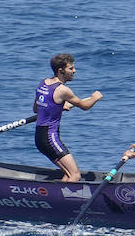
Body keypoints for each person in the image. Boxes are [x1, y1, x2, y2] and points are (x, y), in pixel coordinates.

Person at [33, 53, 103, 182]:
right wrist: (95, 98)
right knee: (76, 175)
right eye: (70, 68)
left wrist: (58, 105)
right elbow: (85, 106)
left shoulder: (43, 84)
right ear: (61, 71)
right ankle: (65, 201)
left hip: (39, 137)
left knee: (68, 174)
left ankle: (56, 198)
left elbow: (36, 109)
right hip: (50, 138)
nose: (74, 71)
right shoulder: (63, 90)